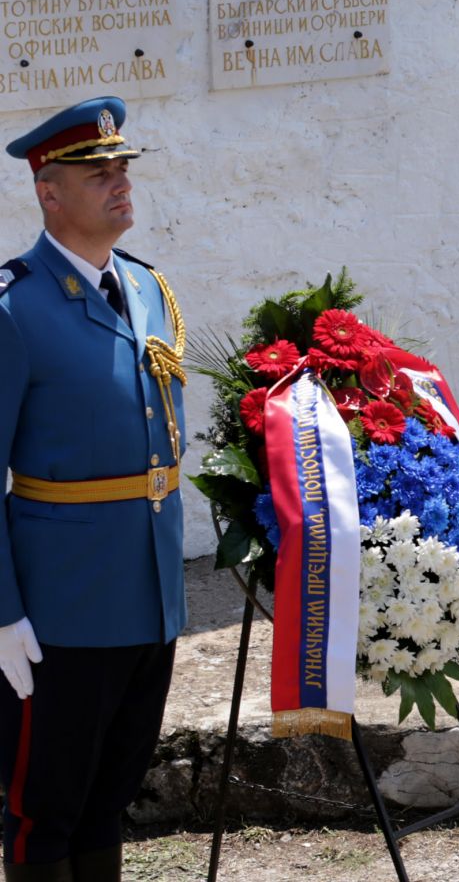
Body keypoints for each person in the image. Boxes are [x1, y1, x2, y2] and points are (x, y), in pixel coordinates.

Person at [0, 98, 188, 882]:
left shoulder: (145, 289)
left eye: (122, 169)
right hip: (61, 609)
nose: (119, 184)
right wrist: (3, 610)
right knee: (47, 813)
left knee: (111, 802)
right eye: (97, 173)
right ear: (49, 192)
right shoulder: (16, 309)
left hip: (148, 597)